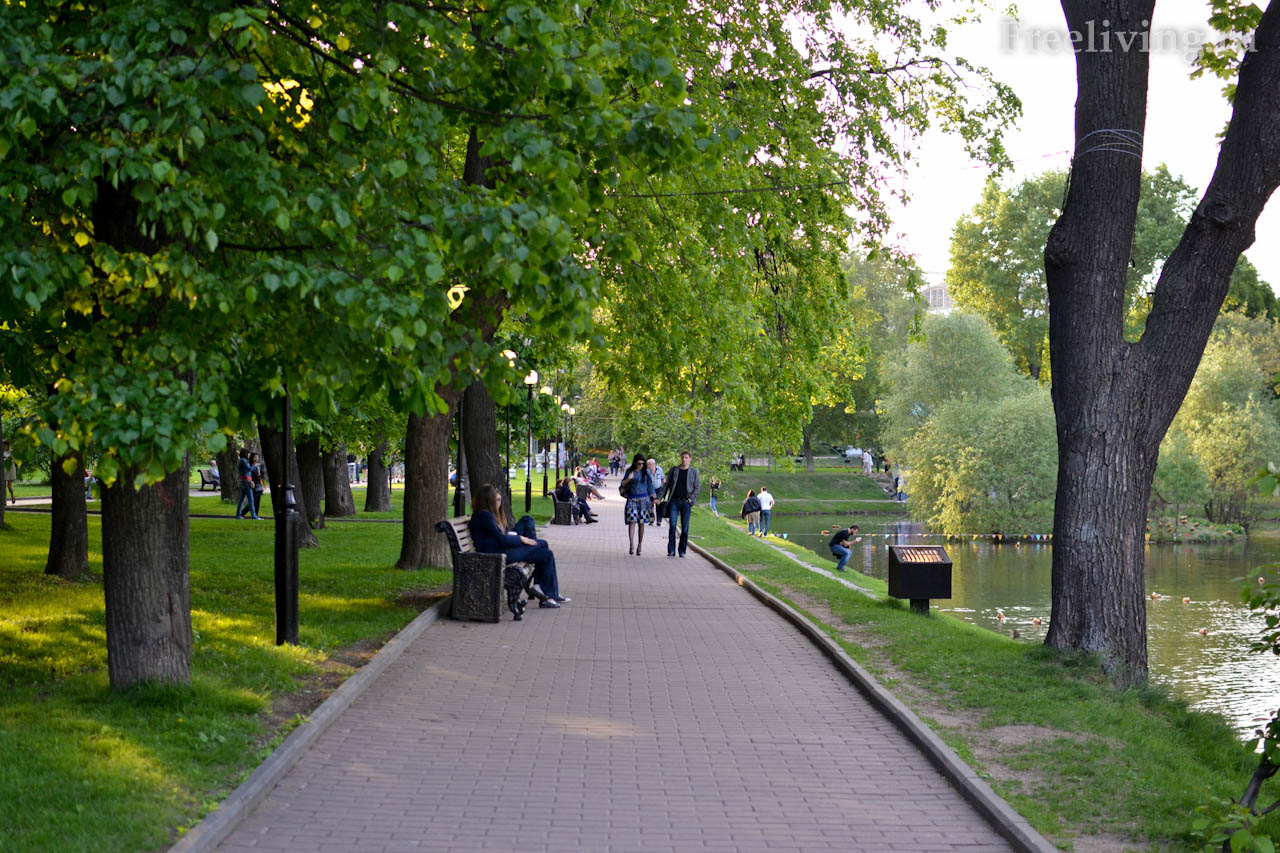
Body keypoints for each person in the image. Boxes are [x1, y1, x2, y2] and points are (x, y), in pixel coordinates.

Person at [468, 484, 568, 607]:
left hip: (501, 552)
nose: (499, 503)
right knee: (542, 544)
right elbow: (501, 539)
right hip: (497, 555)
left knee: (546, 554)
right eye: (496, 499)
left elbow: (499, 537)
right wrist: (521, 539)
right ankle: (543, 590)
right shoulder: (484, 516)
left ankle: (548, 594)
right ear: (488, 500)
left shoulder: (484, 515)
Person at [661, 450, 700, 558]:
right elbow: (667, 485)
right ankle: (671, 550)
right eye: (682, 457)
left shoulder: (694, 471)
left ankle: (682, 550)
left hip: (686, 503)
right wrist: (661, 498)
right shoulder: (674, 470)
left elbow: (697, 487)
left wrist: (691, 498)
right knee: (672, 526)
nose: (684, 459)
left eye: (686, 457)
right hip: (674, 501)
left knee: (685, 528)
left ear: (690, 459)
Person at [620, 453, 656, 555]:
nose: (640, 465)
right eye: (638, 463)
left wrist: (654, 498)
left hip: (644, 500)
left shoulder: (646, 472)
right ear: (635, 462)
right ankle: (631, 544)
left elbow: (650, 486)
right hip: (632, 499)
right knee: (632, 521)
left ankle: (640, 544)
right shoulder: (629, 471)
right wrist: (629, 478)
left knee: (641, 522)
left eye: (642, 463)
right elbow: (622, 484)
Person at [235, 448, 260, 520]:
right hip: (246, 481)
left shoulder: (242, 460)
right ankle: (254, 516)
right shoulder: (243, 460)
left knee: (242, 499)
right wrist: (255, 466)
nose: (249, 455)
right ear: (245, 454)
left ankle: (238, 515)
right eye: (248, 453)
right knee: (251, 499)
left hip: (245, 480)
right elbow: (249, 469)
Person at [646, 458, 664, 526]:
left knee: (659, 505)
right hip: (649, 490)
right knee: (650, 506)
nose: (649, 466)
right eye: (648, 464)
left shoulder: (659, 469)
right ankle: (651, 520)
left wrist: (664, 489)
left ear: (654, 464)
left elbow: (663, 479)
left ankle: (659, 521)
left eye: (650, 464)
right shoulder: (646, 471)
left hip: (659, 490)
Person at [250, 452, 266, 518]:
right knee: (254, 502)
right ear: (252, 458)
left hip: (259, 484)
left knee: (258, 502)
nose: (256, 459)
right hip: (253, 484)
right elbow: (250, 473)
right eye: (255, 457)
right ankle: (242, 513)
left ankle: (256, 515)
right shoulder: (251, 465)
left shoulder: (258, 466)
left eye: (257, 457)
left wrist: (261, 473)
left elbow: (262, 473)